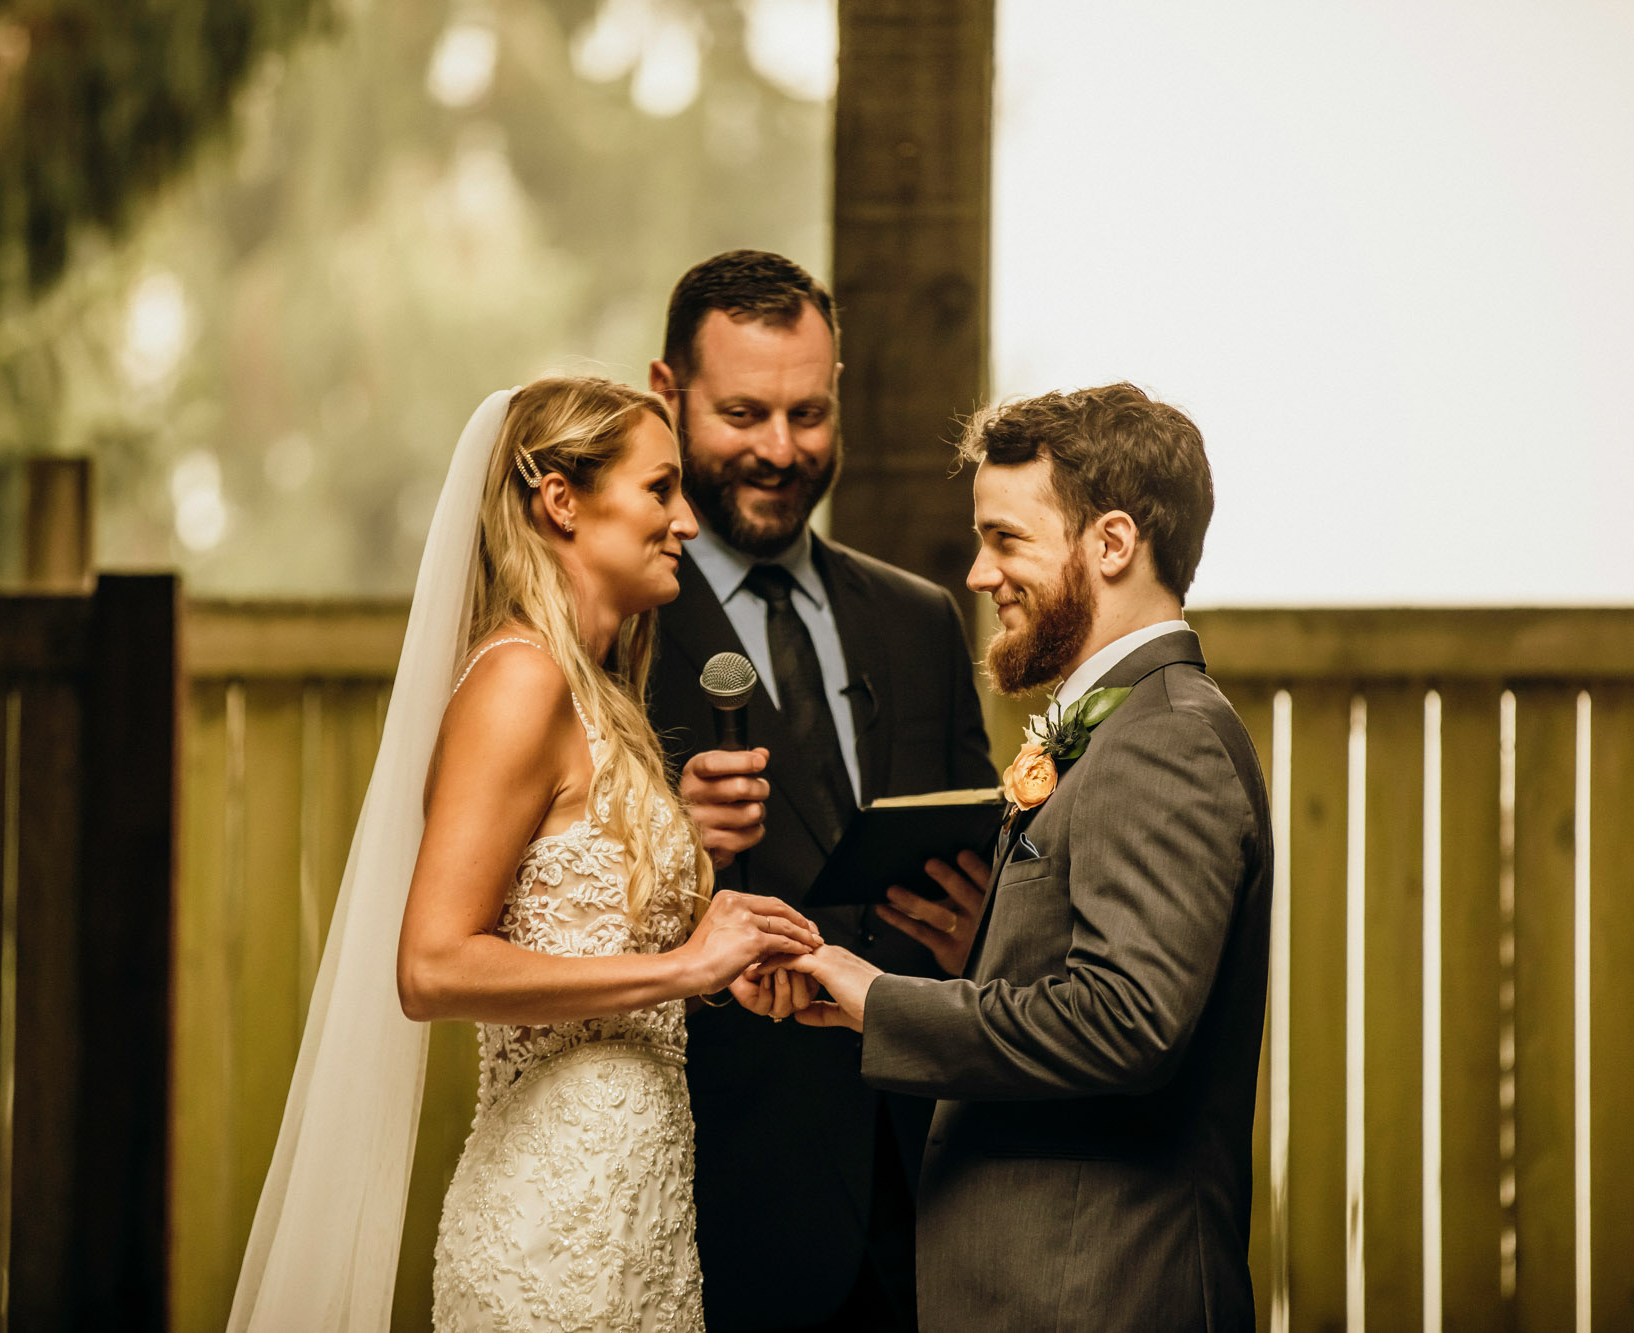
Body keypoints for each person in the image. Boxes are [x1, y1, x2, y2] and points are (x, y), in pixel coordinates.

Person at [228, 377, 824, 1332]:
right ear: (561, 502)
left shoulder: (596, 688)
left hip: (643, 1220)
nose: (686, 523)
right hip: (552, 1232)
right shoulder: (518, 679)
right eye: (659, 490)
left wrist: (688, 866)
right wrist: (682, 962)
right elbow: (431, 963)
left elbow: (571, 904)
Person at [784, 383, 1274, 1332]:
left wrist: (879, 998)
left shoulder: (1165, 739)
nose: (977, 573)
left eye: (1006, 539)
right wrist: (990, 943)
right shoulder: (1123, 726)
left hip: (1097, 1295)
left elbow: (1128, 1020)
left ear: (1113, 544)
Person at [642, 250, 999, 1331]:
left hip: (927, 1194)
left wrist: (984, 926)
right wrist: (669, 839)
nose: (780, 450)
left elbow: (983, 863)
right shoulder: (613, 630)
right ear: (667, 394)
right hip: (725, 1195)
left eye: (808, 411)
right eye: (743, 412)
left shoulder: (920, 618)